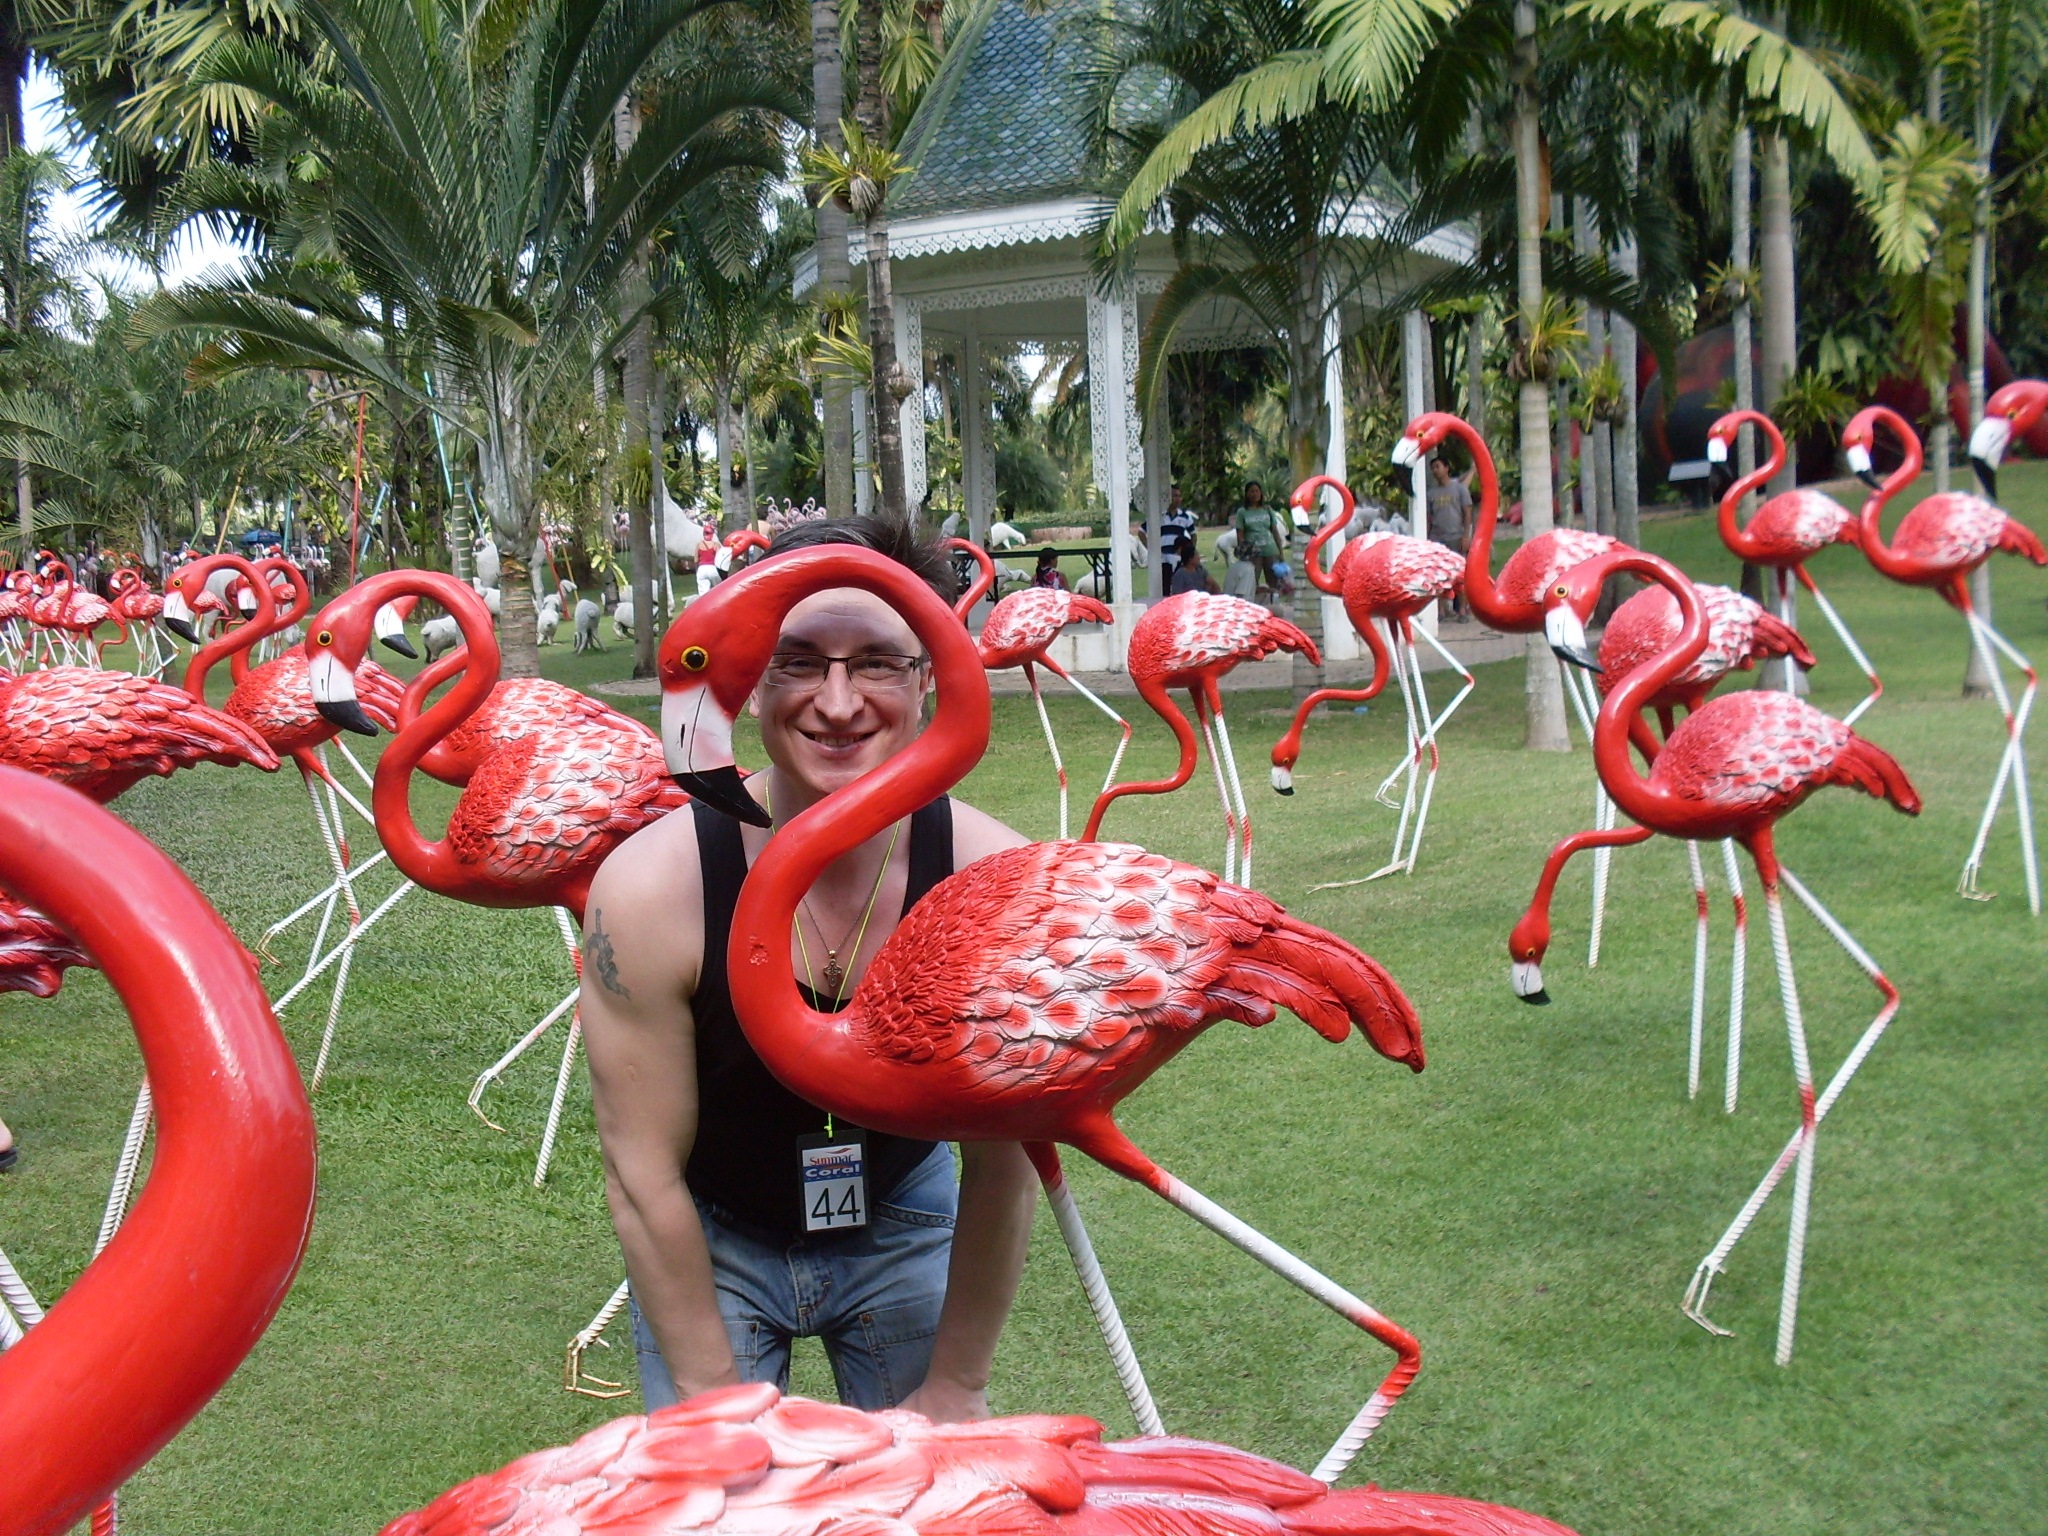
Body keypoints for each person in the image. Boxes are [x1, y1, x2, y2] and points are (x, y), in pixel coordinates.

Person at [580, 515, 1040, 1422]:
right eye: (798, 662)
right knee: (716, 1492)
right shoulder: (648, 892)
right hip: (710, 1232)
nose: (837, 703)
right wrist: (714, 1407)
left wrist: (957, 1383)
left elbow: (1003, 1165)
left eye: (876, 663)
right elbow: (642, 1172)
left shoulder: (993, 882)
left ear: (928, 678)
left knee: (939, 1487)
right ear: (752, 678)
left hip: (904, 1209)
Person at [1425, 459, 1474, 617]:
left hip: (1456, 536)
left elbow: (1467, 513)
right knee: (1437, 575)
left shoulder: (1459, 488)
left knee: (1460, 575)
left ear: (1446, 468)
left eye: (1438, 467)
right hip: (1437, 538)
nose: (1435, 470)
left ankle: (1462, 609)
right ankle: (1441, 610)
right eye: (1433, 468)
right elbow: (1429, 518)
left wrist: (1466, 536)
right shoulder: (1431, 493)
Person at [1230, 482, 1293, 602]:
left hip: (1270, 550)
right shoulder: (1242, 512)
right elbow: (1240, 535)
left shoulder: (1267, 509)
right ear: (1247, 494)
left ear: (1261, 493)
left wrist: (1280, 552)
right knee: (1251, 582)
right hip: (1253, 553)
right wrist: (1244, 553)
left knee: (1275, 582)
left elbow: (1275, 531)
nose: (1254, 494)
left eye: (1257, 491)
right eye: (1251, 491)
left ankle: (1274, 603)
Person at [1158, 484, 1197, 587]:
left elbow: (1193, 534)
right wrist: (1152, 550)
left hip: (1178, 557)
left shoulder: (1185, 516)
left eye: (1179, 496)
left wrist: (1189, 552)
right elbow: (1142, 532)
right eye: (1175, 496)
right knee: (1165, 585)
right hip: (1163, 557)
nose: (1178, 499)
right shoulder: (1159, 515)